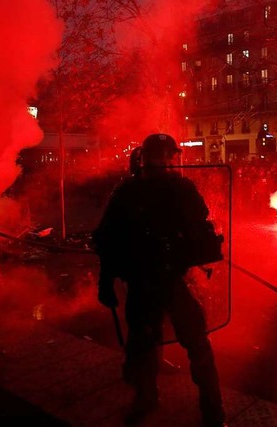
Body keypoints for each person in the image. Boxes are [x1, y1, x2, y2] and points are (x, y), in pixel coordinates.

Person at [92, 134, 226, 427]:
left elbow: (199, 227)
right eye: (162, 154)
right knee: (153, 344)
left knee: (182, 342)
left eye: (165, 155)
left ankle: (205, 405)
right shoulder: (136, 190)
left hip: (163, 279)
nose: (164, 160)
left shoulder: (164, 188)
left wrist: (204, 248)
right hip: (151, 280)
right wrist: (106, 279)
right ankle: (164, 401)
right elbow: (108, 238)